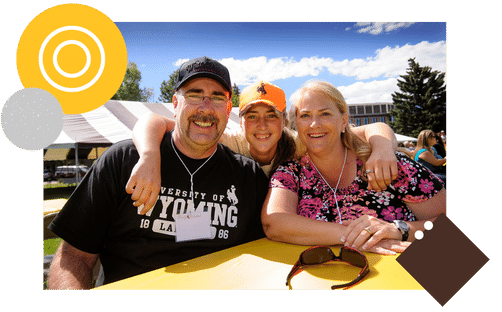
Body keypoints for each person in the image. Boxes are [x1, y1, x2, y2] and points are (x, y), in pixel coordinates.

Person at [47, 56, 269, 289]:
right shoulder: (123, 161)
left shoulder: (248, 176)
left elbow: (261, 260)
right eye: (194, 95)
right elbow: (73, 257)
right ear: (175, 103)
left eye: (217, 98)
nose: (205, 107)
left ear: (227, 108)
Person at [128, 81, 400, 214]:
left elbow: (365, 130)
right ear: (240, 120)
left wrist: (384, 149)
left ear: (284, 120)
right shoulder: (226, 141)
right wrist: (150, 157)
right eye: (252, 116)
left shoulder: (300, 141)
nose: (262, 126)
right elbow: (154, 120)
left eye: (271, 116)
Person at [261, 81, 446, 256]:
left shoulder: (386, 163)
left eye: (325, 113)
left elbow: (452, 227)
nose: (314, 123)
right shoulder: (291, 172)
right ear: (296, 125)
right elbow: (275, 223)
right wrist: (354, 235)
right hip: (326, 279)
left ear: (343, 120)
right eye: (305, 115)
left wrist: (399, 230)